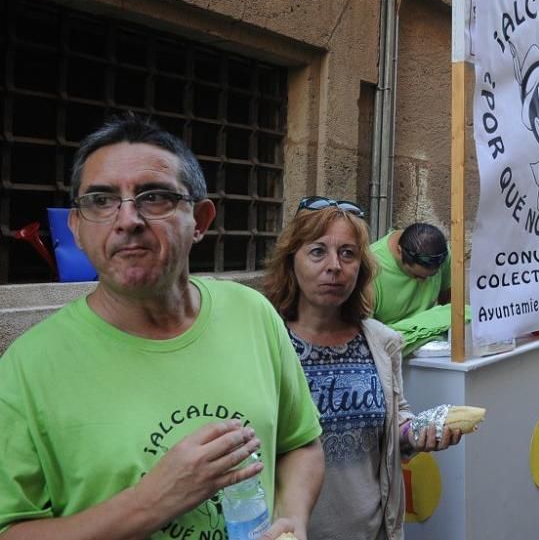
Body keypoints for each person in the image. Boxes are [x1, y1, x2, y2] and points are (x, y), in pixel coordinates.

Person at [0, 114, 323, 540]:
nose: (127, 219)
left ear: (201, 221)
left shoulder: (252, 313)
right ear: (76, 229)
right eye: (100, 199)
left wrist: (292, 520)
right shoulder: (27, 367)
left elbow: (300, 444)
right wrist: (151, 501)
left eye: (154, 197)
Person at [263, 199, 461, 539]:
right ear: (290, 260)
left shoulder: (381, 342)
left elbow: (396, 420)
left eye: (348, 254)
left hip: (370, 529)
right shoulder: (266, 342)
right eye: (317, 252)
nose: (334, 266)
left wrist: (414, 433)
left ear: (362, 268)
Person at [370, 222, 451, 325]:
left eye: (431, 276)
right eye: (415, 275)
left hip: (431, 333)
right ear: (399, 251)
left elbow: (449, 302)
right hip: (387, 337)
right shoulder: (370, 268)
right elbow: (365, 329)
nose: (423, 281)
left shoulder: (441, 255)